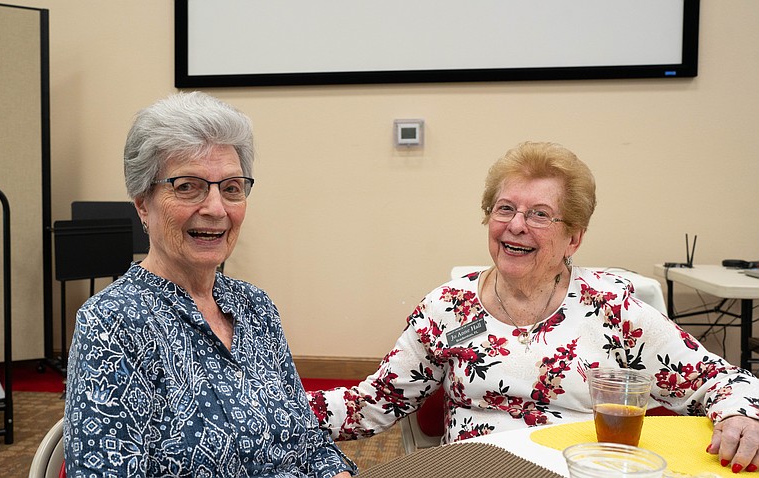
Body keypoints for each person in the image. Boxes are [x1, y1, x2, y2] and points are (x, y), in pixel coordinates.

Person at [308, 141, 759, 474]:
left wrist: (740, 413)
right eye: (505, 209)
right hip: (474, 469)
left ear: (574, 238)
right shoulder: (449, 307)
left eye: (540, 214)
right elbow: (374, 402)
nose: (516, 226)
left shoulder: (611, 308)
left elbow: (724, 381)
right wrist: (268, 406)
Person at [64, 92, 355, 478]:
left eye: (231, 187)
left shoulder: (255, 307)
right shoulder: (112, 324)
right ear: (142, 204)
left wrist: (338, 472)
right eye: (188, 187)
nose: (216, 208)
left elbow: (309, 442)